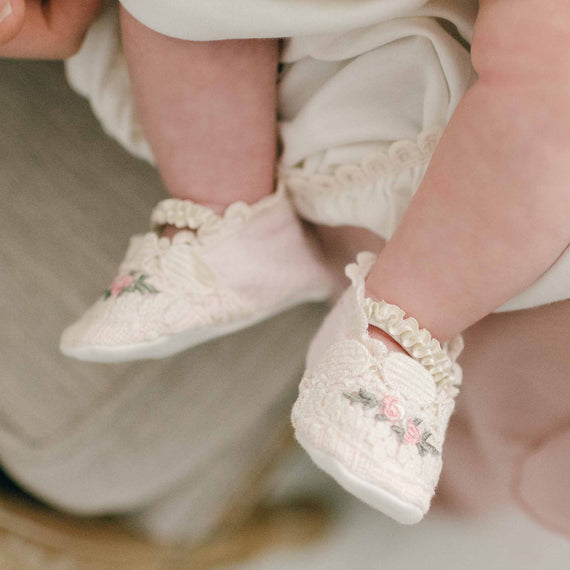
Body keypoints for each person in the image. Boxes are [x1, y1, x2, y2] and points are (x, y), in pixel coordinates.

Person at [1, 0, 568, 525]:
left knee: (547, 75)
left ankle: (399, 336)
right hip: (340, 116)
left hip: (494, 219)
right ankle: (230, 223)